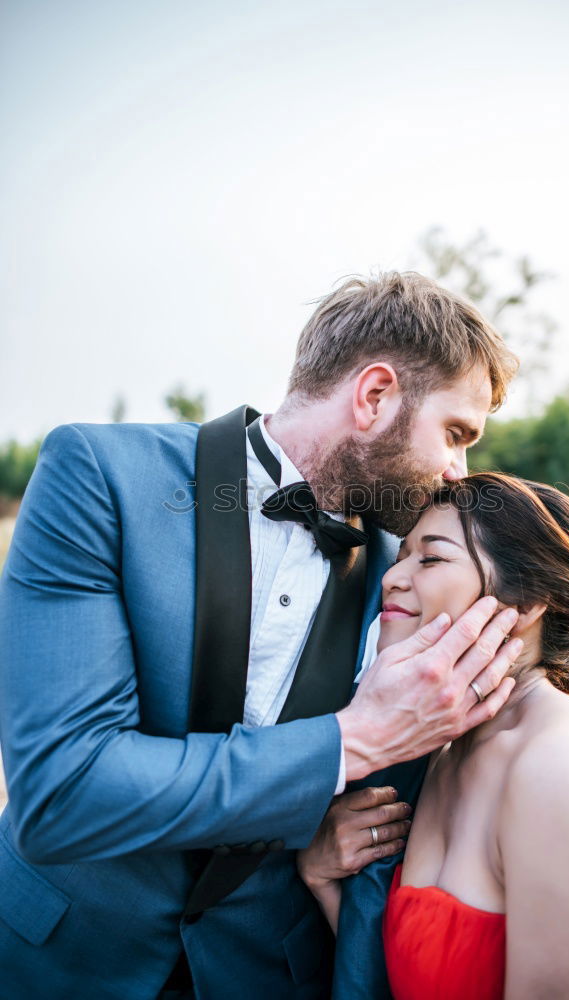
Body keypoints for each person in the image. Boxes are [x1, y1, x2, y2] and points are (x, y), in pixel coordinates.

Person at [0, 273, 520, 999]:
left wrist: (316, 826)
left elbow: (386, 820)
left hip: (266, 972)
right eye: (456, 434)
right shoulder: (101, 477)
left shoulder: (405, 579)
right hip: (58, 958)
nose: (455, 473)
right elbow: (66, 792)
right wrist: (350, 740)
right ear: (373, 396)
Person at [297, 473, 569, 999]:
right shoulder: (443, 746)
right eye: (401, 556)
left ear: (528, 600)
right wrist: (322, 878)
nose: (392, 578)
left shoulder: (561, 768)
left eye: (431, 558)